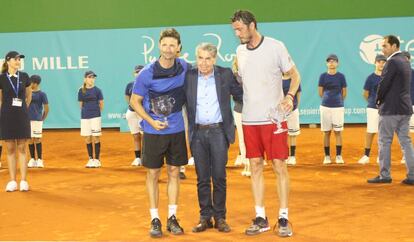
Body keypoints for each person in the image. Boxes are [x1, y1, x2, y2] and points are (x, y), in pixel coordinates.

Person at [231, 10, 301, 237]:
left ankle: (283, 218)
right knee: (256, 167)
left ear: (252, 26)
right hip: (250, 119)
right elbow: (244, 80)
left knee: (279, 166)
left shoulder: (275, 46)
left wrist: (289, 96)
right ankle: (260, 216)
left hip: (274, 119)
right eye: (234, 29)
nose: (237, 33)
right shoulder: (239, 51)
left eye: (240, 28)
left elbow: (295, 75)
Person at [130, 28, 190, 238]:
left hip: (176, 130)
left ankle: (172, 217)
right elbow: (134, 101)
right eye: (165, 44)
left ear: (179, 48)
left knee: (174, 172)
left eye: (172, 45)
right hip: (153, 132)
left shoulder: (184, 67)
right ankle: (154, 219)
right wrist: (151, 121)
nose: (168, 49)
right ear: (159, 46)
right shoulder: (147, 73)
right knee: (153, 174)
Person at [184, 42, 243, 233]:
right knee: (202, 178)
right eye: (200, 58)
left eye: (208, 58)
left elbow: (241, 94)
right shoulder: (189, 76)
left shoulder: (225, 74)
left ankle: (220, 217)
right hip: (198, 133)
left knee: (219, 177)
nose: (203, 62)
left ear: (214, 59)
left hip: (219, 132)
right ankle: (205, 217)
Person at [367, 35, 414, 185]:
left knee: (384, 142)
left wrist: (378, 99)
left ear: (394, 46)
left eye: (385, 46)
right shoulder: (405, 61)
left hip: (391, 109)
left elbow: (384, 83)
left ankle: (384, 175)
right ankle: (412, 175)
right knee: (406, 142)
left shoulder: (392, 62)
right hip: (405, 108)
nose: (383, 49)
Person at [0, 51, 32, 192]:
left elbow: (28, 96)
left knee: (22, 148)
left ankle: (23, 181)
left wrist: (23, 109)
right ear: (8, 61)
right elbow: (0, 99)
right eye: (16, 59)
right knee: (11, 148)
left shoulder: (24, 76)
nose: (18, 61)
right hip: (7, 116)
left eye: (19, 59)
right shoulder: (1, 78)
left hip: (21, 116)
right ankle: (13, 181)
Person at [318, 54, 347, 164]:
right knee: (326, 132)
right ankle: (327, 156)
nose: (331, 63)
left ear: (337, 63)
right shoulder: (322, 76)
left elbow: (344, 92)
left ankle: (339, 156)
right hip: (325, 107)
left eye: (334, 61)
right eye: (329, 61)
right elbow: (320, 92)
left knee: (338, 132)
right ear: (327, 63)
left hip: (338, 107)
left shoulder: (341, 76)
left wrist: (338, 100)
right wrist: (327, 100)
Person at [357, 55, 386, 164]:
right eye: (379, 62)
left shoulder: (388, 78)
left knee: (382, 133)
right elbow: (365, 94)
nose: (381, 64)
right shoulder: (370, 78)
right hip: (372, 109)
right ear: (375, 63)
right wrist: (373, 102)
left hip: (385, 110)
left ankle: (380, 156)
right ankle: (366, 156)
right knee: (370, 131)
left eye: (384, 62)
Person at [78, 70, 104, 168]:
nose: (92, 79)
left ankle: (97, 160)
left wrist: (95, 112)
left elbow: (101, 104)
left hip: (95, 116)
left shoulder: (97, 90)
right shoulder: (81, 90)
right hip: (85, 117)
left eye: (93, 77)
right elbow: (80, 105)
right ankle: (90, 159)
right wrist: (86, 112)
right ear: (85, 79)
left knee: (96, 137)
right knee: (87, 138)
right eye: (90, 77)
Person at [232, 57, 250, 176]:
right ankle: (247, 165)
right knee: (242, 138)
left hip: (254, 111)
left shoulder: (254, 74)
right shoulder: (233, 76)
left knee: (252, 138)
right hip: (239, 110)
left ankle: (254, 163)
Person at [27, 75, 49, 168]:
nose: (29, 84)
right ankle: (32, 159)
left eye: (31, 82)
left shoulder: (42, 94)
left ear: (35, 83)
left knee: (37, 139)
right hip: (27, 120)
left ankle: (39, 159)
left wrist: (42, 118)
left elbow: (47, 108)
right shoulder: (27, 93)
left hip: (37, 120)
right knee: (30, 139)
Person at [125, 65, 144, 166]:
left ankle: (146, 157)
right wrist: (133, 106)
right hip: (132, 113)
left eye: (140, 72)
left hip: (143, 113)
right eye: (137, 72)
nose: (138, 74)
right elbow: (127, 98)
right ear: (134, 74)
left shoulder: (147, 85)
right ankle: (137, 158)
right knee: (136, 136)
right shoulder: (129, 85)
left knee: (145, 136)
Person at [283, 72, 302, 165]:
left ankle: (292, 156)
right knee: (283, 134)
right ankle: (285, 156)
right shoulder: (277, 79)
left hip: (292, 110)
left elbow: (298, 93)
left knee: (292, 134)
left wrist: (295, 106)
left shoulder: (294, 79)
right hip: (281, 112)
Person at [401, 50, 414, 164]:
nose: (405, 60)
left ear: (410, 60)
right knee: (404, 132)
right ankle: (406, 155)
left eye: (407, 58)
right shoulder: (397, 74)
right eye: (403, 58)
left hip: (413, 106)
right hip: (402, 107)